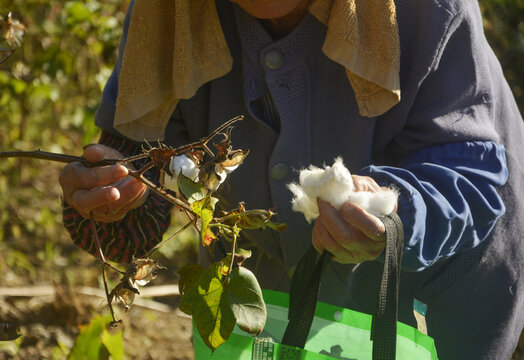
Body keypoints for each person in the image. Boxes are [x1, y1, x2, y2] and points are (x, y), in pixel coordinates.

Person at [59, 0, 524, 358]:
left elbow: (469, 177)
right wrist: (114, 202)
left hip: (441, 293)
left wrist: (393, 210)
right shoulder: (168, 15)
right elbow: (133, 197)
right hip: (269, 301)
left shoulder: (428, 12)